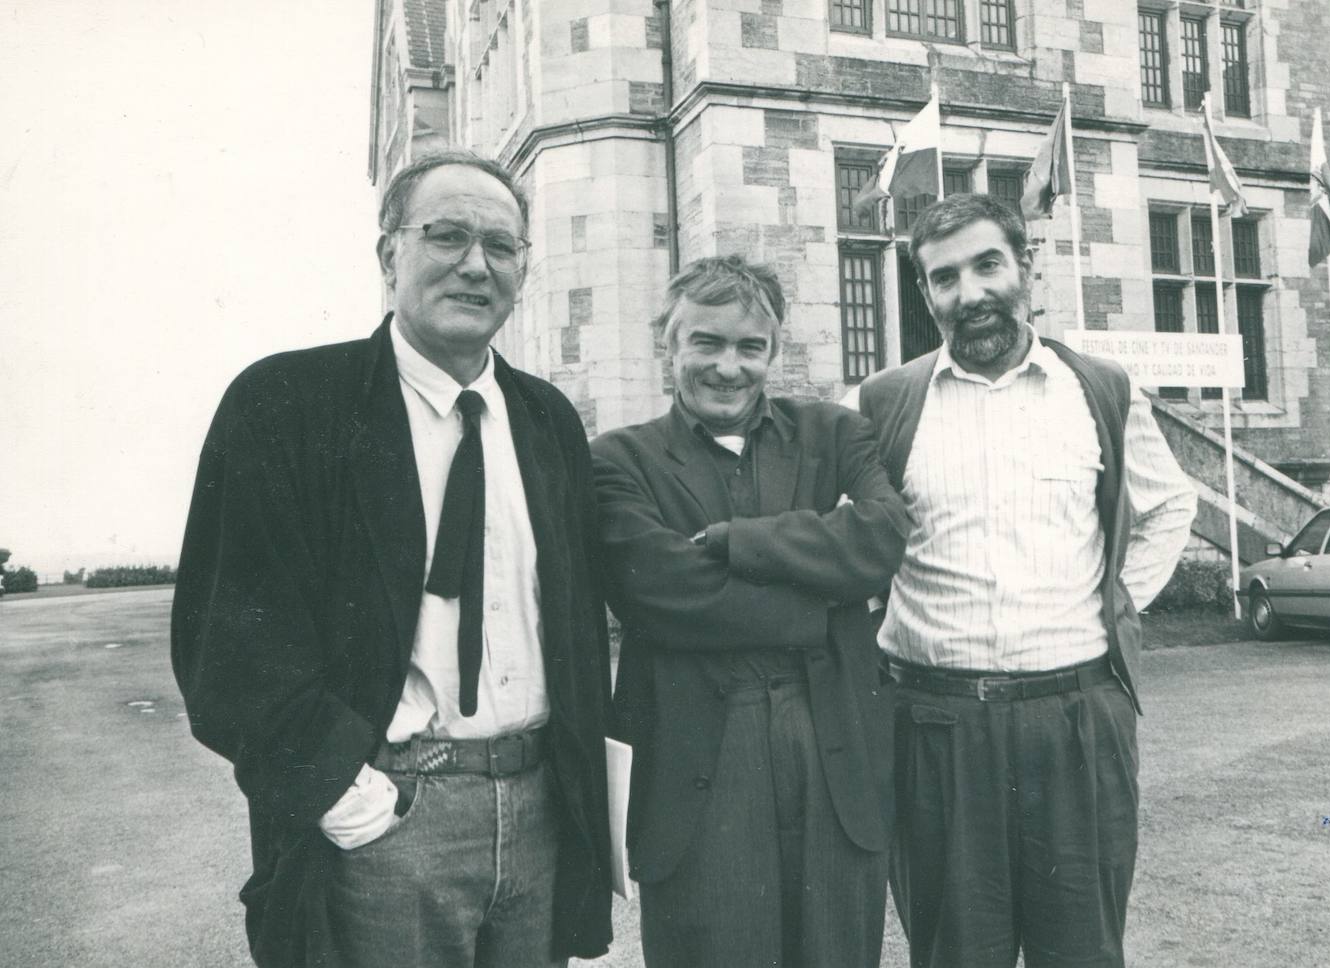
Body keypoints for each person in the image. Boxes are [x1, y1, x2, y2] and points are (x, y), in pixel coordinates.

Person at [171, 150, 612, 968]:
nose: (476, 265)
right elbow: (227, 642)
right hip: (386, 823)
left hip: (536, 811)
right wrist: (352, 800)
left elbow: (577, 622)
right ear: (388, 255)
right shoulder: (291, 404)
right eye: (446, 236)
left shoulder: (547, 421)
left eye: (502, 246)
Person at [852, 194, 1197, 968]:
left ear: (1025, 271)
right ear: (926, 295)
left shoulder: (1100, 389)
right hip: (934, 726)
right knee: (954, 954)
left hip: (1076, 721)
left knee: (1080, 952)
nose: (969, 293)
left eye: (987, 265)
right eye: (945, 278)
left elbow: (1171, 504)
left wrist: (1117, 602)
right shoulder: (882, 404)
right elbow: (847, 541)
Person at [591, 255, 907, 968]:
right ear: (668, 345)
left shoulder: (834, 434)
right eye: (706, 342)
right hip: (698, 761)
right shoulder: (619, 460)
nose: (728, 367)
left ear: (774, 352)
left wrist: (742, 543)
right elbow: (659, 592)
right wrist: (826, 594)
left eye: (749, 347)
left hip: (832, 748)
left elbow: (883, 537)